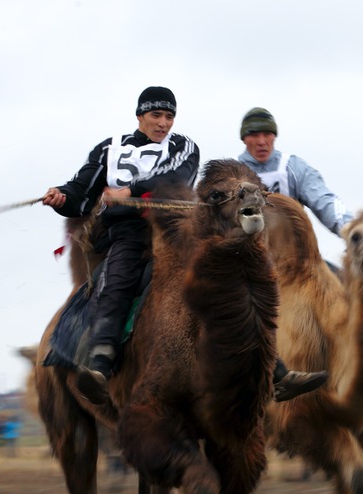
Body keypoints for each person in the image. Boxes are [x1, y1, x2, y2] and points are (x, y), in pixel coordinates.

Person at [44, 88, 325, 404]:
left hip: (176, 229)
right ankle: (99, 366)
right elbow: (82, 190)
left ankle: (277, 372)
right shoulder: (108, 149)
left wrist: (129, 190)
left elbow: (175, 178)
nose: (163, 123)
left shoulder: (182, 146)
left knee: (227, 281)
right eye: (156, 115)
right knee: (116, 283)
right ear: (140, 116)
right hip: (127, 232)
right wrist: (62, 197)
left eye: (169, 116)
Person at [237, 107, 353, 236]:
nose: (261, 142)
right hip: (245, 251)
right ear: (244, 139)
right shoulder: (231, 174)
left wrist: (350, 227)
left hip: (291, 248)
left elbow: (322, 198)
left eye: (267, 134)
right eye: (254, 135)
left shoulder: (293, 167)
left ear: (274, 136)